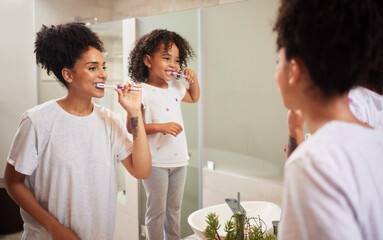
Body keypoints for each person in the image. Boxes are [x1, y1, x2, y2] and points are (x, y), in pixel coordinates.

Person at [4, 22, 151, 240]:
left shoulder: (109, 119)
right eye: (92, 68)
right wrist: (55, 228)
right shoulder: (37, 121)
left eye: (104, 66)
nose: (102, 74)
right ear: (69, 75)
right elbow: (13, 182)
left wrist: (134, 112)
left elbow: (142, 171)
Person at [273, 0, 383, 239]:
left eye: (278, 63)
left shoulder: (313, 163)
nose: (275, 75)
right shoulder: (376, 141)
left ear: (295, 71)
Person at [128, 29, 199, 240]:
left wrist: (193, 80)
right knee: (156, 212)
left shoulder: (175, 86)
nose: (173, 64)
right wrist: (160, 127)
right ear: (148, 61)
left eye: (177, 60)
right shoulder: (139, 90)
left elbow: (194, 98)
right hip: (154, 163)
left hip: (179, 161)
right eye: (166, 58)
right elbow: (132, 128)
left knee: (174, 211)